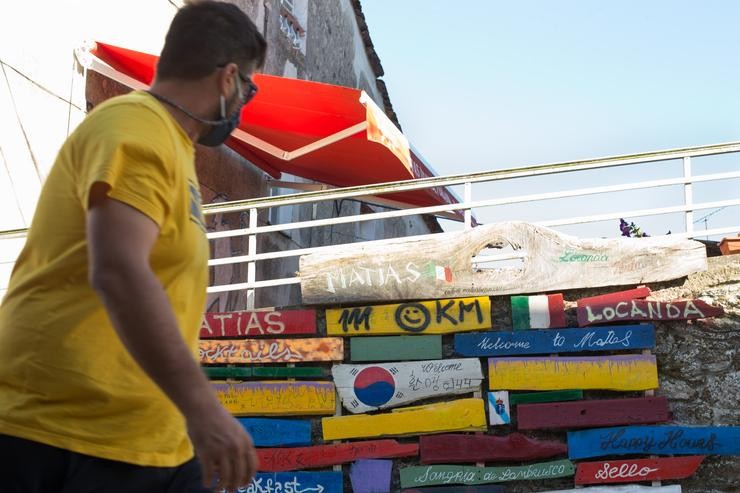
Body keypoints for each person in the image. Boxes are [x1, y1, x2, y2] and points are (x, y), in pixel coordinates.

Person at [0, 2, 266, 491]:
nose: (245, 101)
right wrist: (204, 408)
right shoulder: (135, 128)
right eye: (249, 86)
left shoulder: (172, 146)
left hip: (144, 437)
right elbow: (120, 270)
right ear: (228, 79)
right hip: (70, 437)